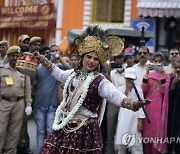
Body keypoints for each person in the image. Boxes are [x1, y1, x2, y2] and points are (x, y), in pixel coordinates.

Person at [34, 26, 150, 154]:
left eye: (96, 59)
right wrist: (42, 59)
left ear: (99, 63)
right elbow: (58, 73)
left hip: (85, 130)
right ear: (82, 57)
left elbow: (115, 95)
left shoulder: (100, 81)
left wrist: (132, 104)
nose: (91, 61)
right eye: (89, 57)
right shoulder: (73, 74)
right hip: (65, 125)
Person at [32, 45, 71, 152]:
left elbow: (70, 69)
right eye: (50, 52)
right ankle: (41, 151)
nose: (52, 53)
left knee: (50, 131)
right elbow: (31, 79)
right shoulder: (39, 68)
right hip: (39, 105)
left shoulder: (58, 68)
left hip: (52, 105)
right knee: (40, 131)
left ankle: (48, 151)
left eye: (55, 51)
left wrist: (59, 57)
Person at [0, 46, 32, 154]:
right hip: (4, 102)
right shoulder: (2, 70)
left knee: (14, 132)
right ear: (8, 57)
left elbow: (28, 90)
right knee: (1, 130)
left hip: (19, 104)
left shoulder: (24, 71)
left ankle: (9, 152)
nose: (15, 58)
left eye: (17, 56)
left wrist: (28, 105)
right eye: (12, 56)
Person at [142, 52, 170, 154]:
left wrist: (162, 76)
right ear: (152, 62)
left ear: (163, 62)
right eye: (155, 61)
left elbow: (163, 91)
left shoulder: (167, 76)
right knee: (147, 133)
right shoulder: (148, 75)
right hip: (148, 107)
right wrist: (146, 73)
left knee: (156, 132)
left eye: (160, 61)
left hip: (159, 107)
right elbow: (144, 89)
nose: (158, 63)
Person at [114, 67, 145, 154]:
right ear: (125, 77)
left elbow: (142, 106)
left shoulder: (139, 90)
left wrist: (140, 121)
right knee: (122, 143)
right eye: (128, 78)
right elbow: (119, 102)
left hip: (135, 117)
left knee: (136, 143)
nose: (130, 80)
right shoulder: (120, 89)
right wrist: (127, 91)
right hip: (124, 117)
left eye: (131, 78)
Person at [106, 53, 125, 154]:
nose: (119, 60)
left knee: (122, 128)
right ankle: (109, 151)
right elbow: (107, 85)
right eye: (117, 58)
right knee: (110, 130)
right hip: (113, 103)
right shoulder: (112, 73)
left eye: (121, 57)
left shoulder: (128, 72)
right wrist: (108, 71)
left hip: (124, 103)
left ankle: (121, 151)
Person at [168, 58, 180, 154]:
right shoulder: (172, 79)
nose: (178, 70)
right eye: (176, 67)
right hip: (174, 110)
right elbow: (169, 97)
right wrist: (173, 85)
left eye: (179, 67)